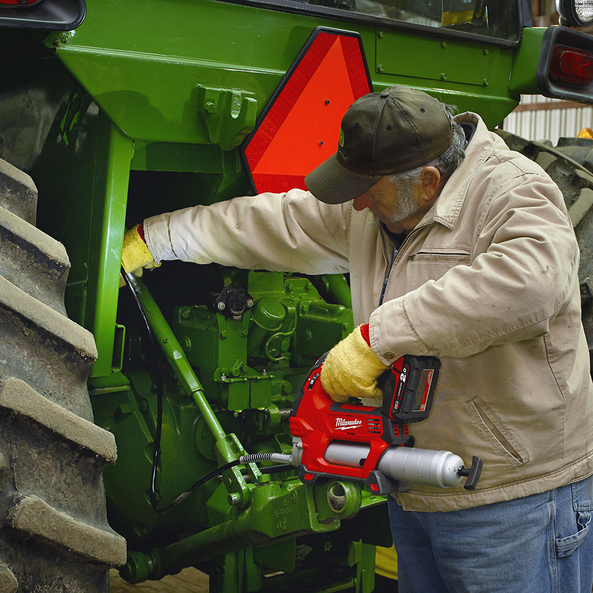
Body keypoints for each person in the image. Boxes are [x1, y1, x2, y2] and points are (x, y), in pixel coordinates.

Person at [122, 85, 593, 593]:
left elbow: (528, 286)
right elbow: (279, 222)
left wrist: (377, 340)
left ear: (429, 183)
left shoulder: (515, 194)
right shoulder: (376, 207)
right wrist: (158, 237)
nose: (358, 203)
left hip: (514, 505)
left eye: (370, 191)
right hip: (417, 488)